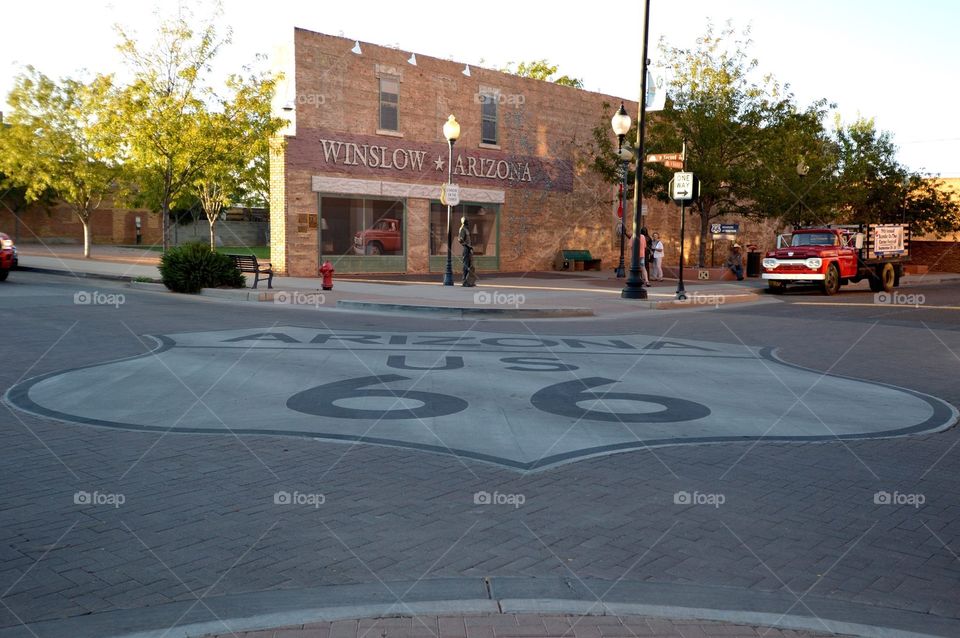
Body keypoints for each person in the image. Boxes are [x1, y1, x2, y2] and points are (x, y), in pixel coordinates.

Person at [458, 216, 477, 287]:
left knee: (470, 265)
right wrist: (467, 246)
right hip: (466, 249)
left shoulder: (466, 229)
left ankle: (469, 281)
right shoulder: (462, 229)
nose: (468, 222)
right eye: (467, 221)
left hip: (469, 248)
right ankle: (464, 281)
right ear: (464, 222)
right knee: (465, 265)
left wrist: (471, 247)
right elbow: (460, 239)